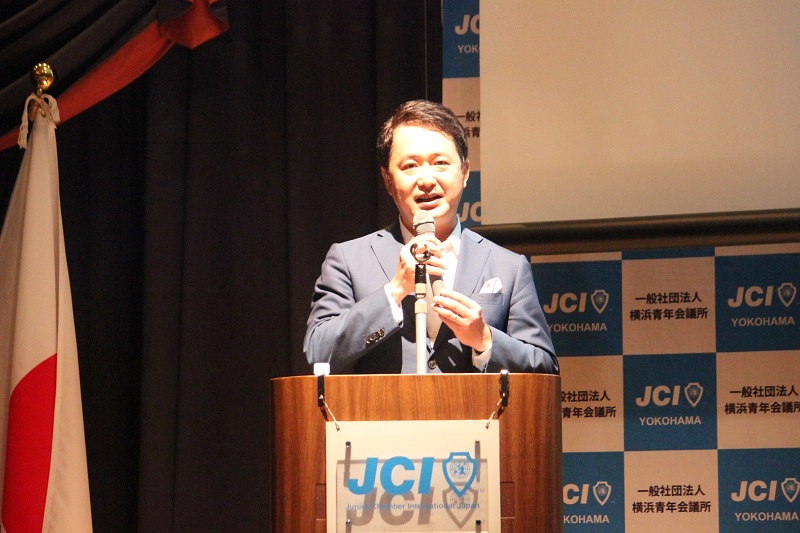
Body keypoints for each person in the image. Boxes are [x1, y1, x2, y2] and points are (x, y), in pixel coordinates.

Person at [304, 100, 557, 375]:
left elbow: (544, 368)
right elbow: (319, 351)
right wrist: (394, 291)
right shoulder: (349, 260)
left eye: (440, 163)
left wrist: (484, 339)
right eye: (410, 166)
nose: (426, 180)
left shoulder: (508, 267)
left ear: (465, 172)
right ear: (388, 180)